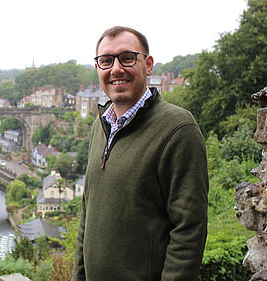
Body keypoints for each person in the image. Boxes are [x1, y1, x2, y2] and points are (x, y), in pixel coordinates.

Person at [72, 26, 209, 281]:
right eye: (106, 60)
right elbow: (87, 215)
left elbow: (189, 229)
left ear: (147, 65)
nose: (116, 69)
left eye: (127, 58)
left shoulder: (178, 128)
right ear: (98, 69)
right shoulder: (99, 127)